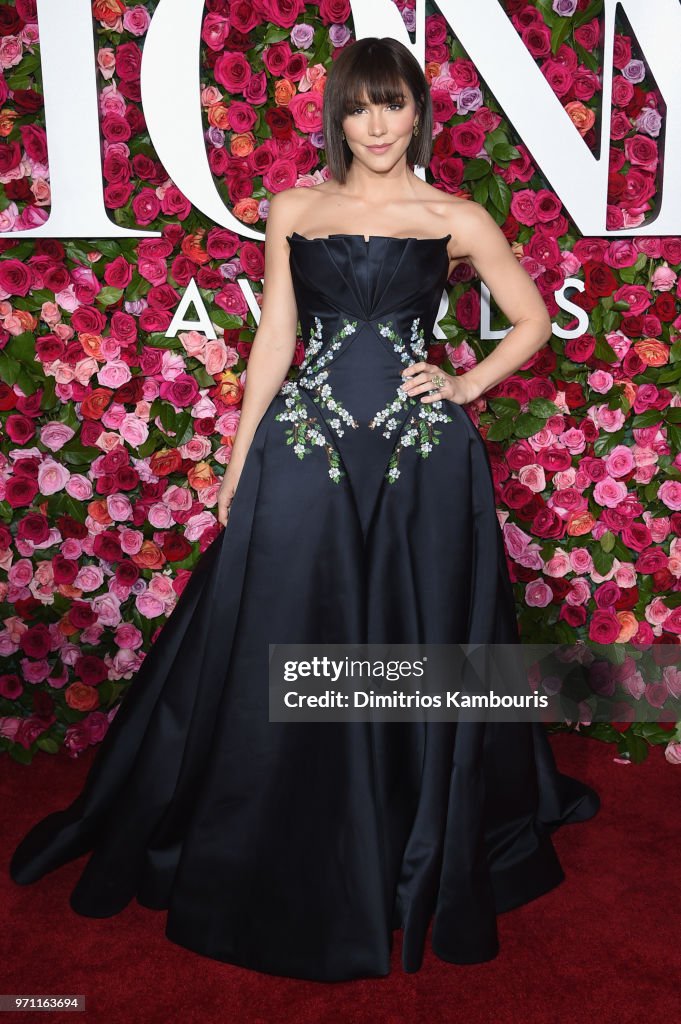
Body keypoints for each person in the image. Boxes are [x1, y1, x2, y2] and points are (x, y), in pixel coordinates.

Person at [9, 36, 599, 982]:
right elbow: (275, 336)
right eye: (360, 107)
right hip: (305, 447)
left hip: (418, 462)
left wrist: (462, 382)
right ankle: (278, 813)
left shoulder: (455, 215)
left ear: (417, 113)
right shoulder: (295, 207)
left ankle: (407, 817)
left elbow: (529, 318)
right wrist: (240, 464)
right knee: (284, 623)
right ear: (339, 115)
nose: (376, 124)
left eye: (393, 105)